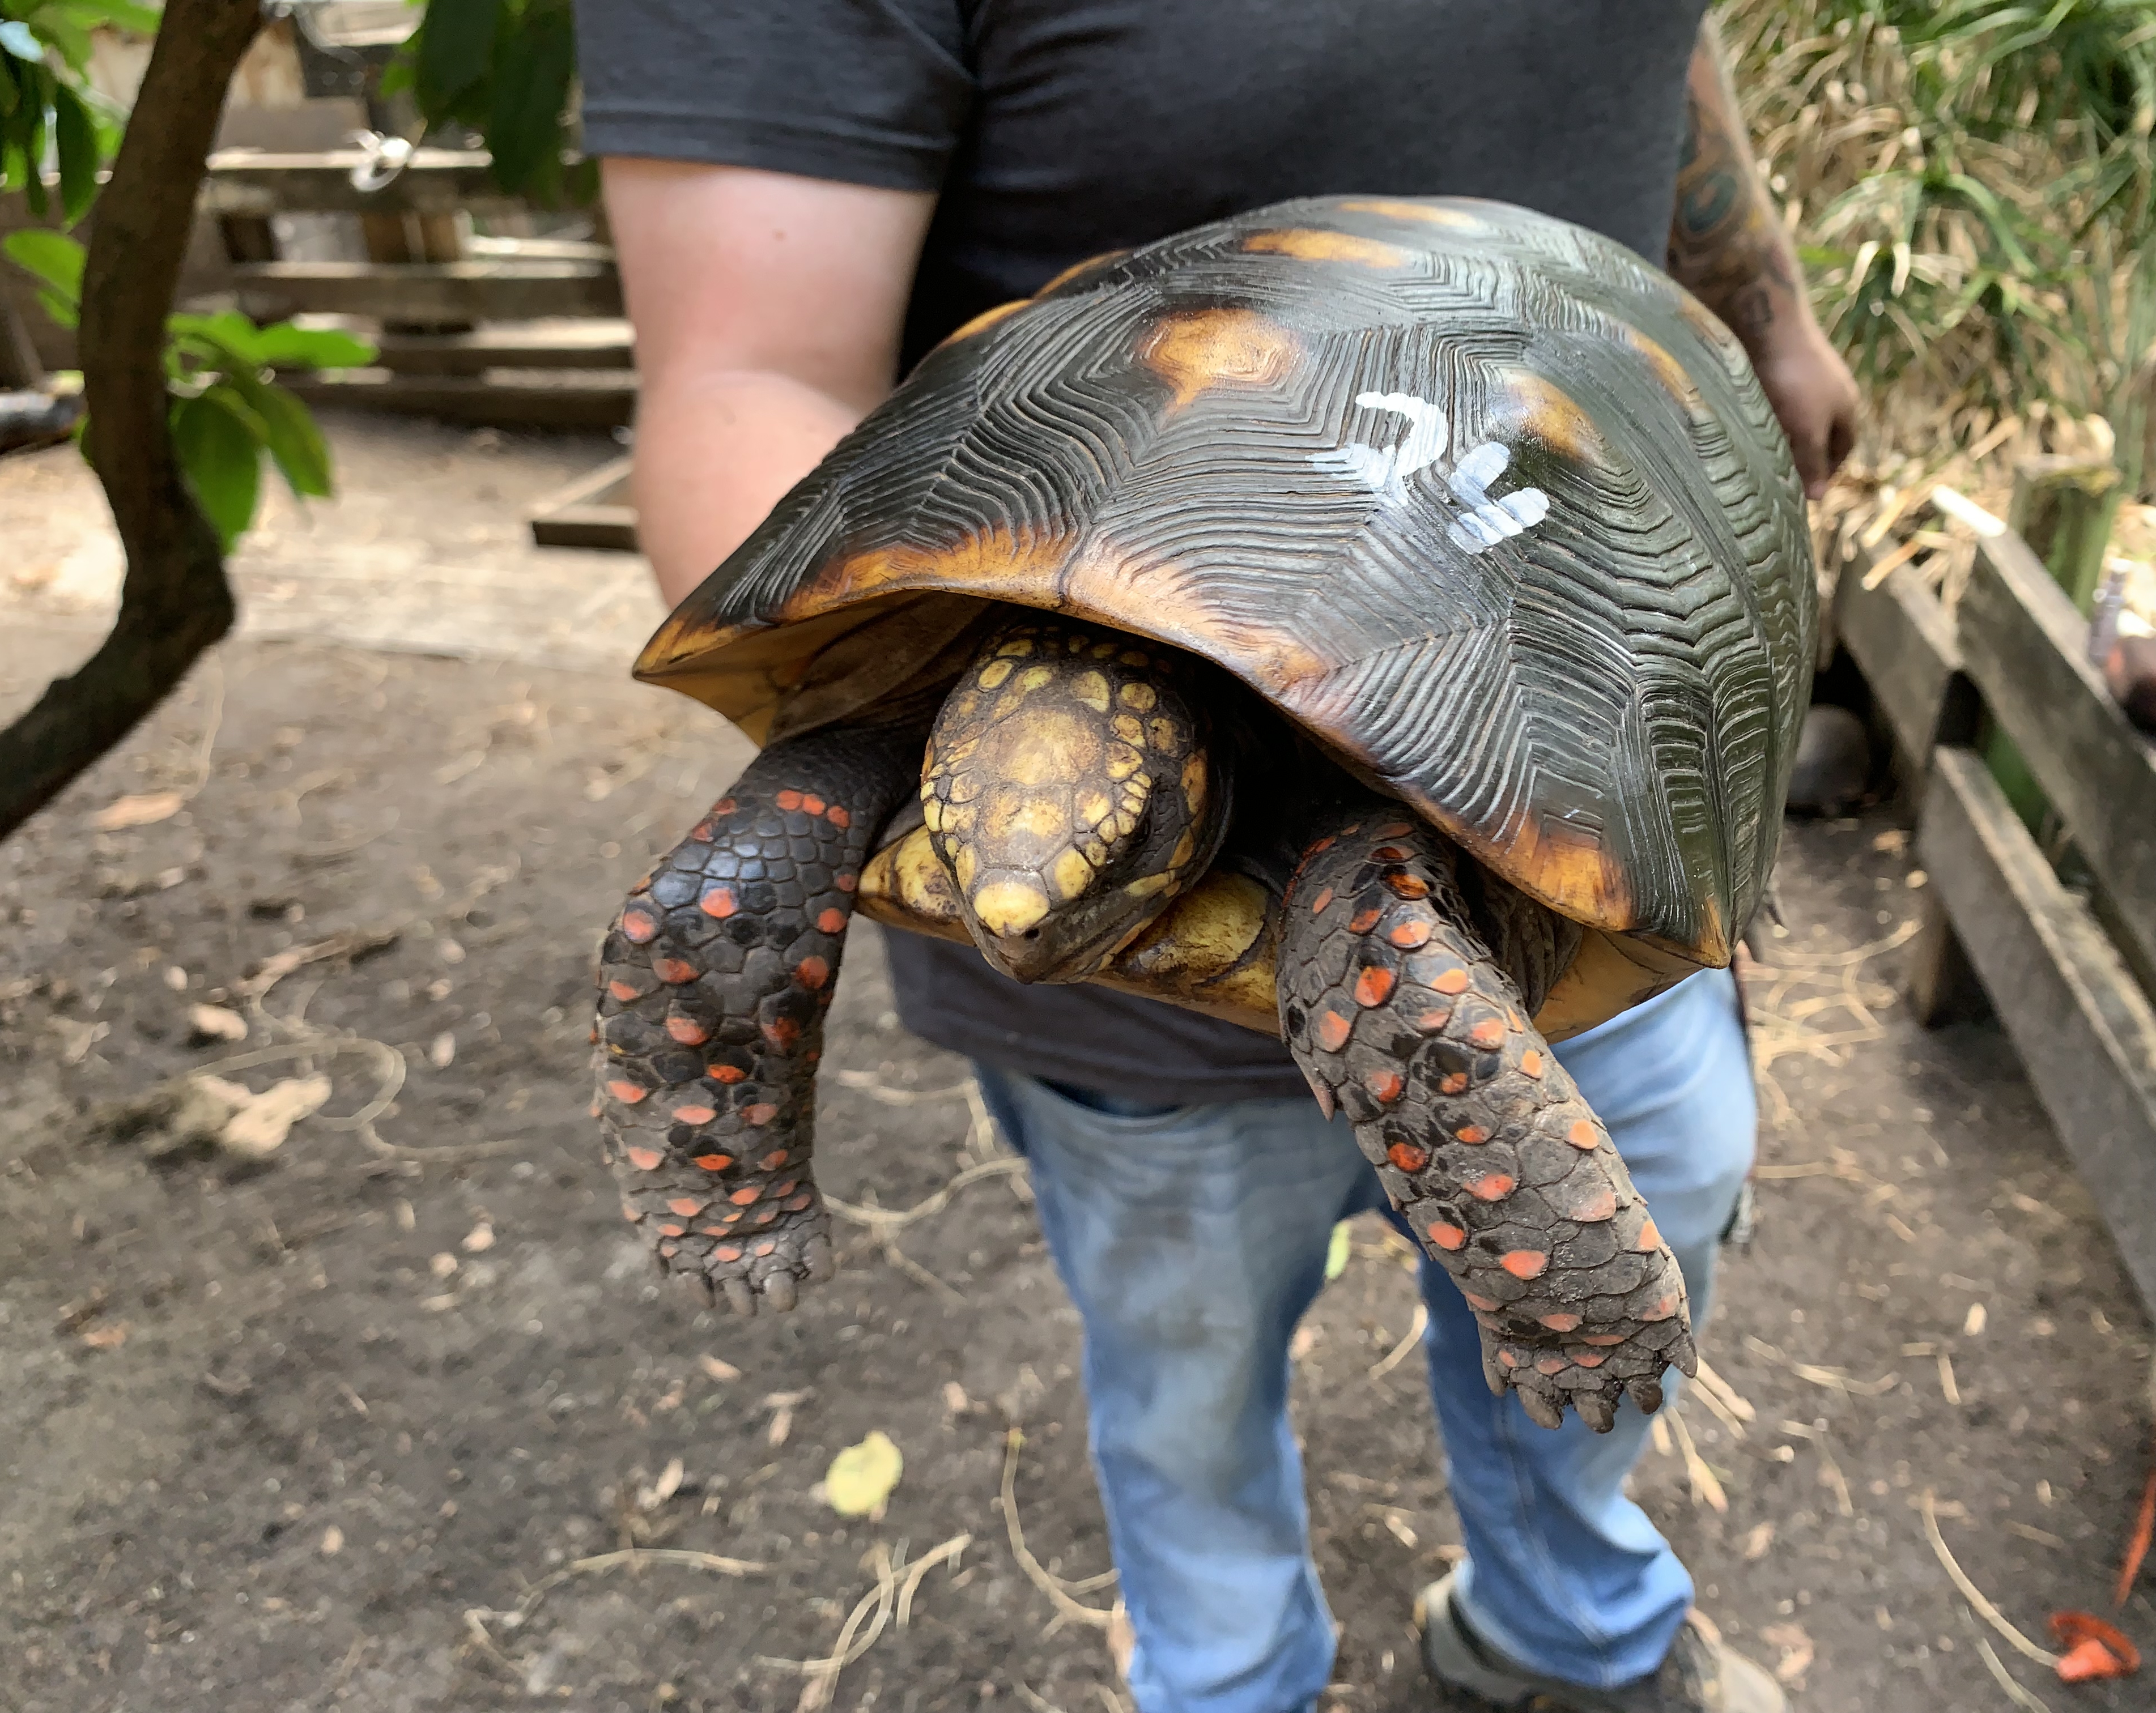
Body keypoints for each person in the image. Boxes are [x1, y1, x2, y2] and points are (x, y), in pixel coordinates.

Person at [571, 6, 1858, 1709]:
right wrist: (720, 1147)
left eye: (1097, 877)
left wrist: (1764, 311)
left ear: (1188, 811)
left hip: (1559, 512)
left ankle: (1569, 1622)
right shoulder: (970, 798)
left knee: (1617, 1246)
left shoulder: (1358, 897)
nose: (1028, 924)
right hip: (1063, 540)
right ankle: (1232, 1675)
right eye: (991, 863)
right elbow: (749, 374)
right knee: (1178, 1377)